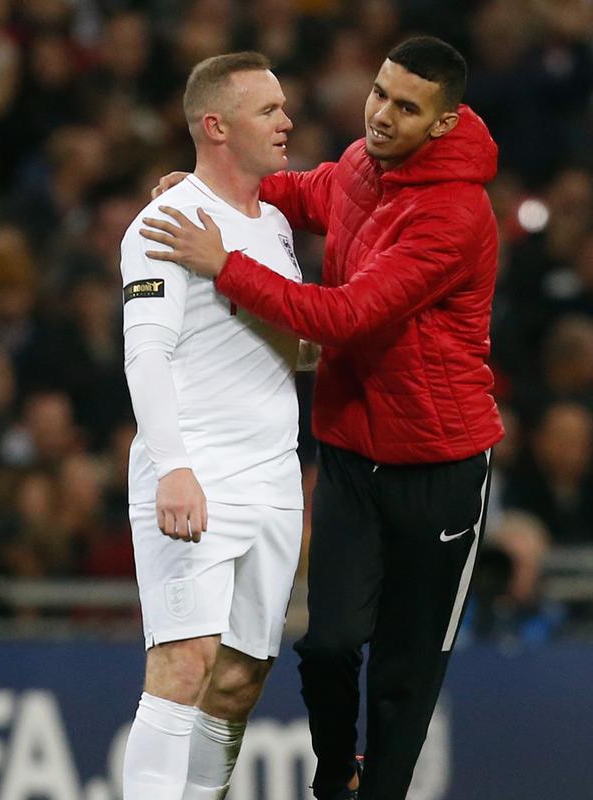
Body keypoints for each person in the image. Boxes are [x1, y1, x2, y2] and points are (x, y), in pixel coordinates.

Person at [143, 36, 504, 800]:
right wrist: (212, 191)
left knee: (405, 674)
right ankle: (335, 771)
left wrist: (225, 263)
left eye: (407, 108)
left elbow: (344, 317)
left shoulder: (454, 214)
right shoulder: (363, 167)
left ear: (442, 124)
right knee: (330, 645)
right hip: (349, 455)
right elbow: (308, 192)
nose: (381, 114)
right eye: (380, 91)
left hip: (439, 469)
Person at [120, 52, 306, 800]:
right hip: (194, 470)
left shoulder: (280, 225)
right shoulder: (165, 220)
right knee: (185, 661)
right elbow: (146, 351)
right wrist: (172, 464)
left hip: (274, 476)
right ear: (216, 125)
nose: (287, 121)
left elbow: (293, 343)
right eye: (269, 111)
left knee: (238, 680)